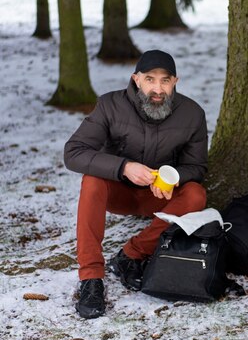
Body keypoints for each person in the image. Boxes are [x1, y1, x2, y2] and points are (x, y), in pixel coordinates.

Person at [64, 50, 208, 319]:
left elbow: (197, 167)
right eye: (150, 79)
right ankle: (91, 278)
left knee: (196, 194)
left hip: (159, 197)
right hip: (117, 193)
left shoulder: (192, 114)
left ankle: (131, 255)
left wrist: (171, 177)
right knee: (92, 180)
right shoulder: (110, 105)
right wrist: (124, 168)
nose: (157, 88)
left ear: (175, 81)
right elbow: (73, 152)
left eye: (165, 81)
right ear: (136, 79)